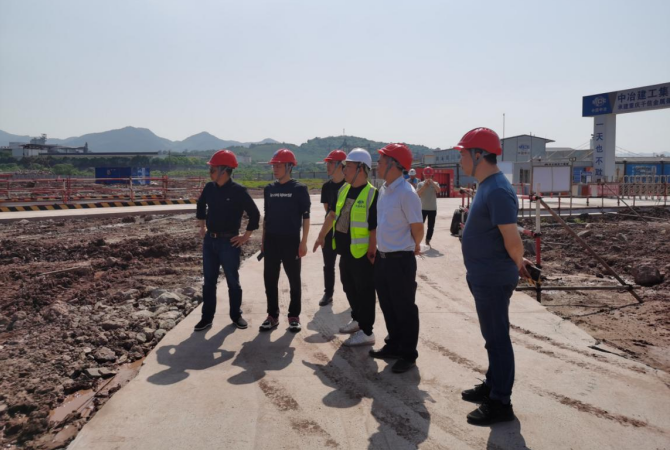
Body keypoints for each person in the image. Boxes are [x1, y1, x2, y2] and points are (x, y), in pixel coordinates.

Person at [454, 127, 531, 426]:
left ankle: (500, 401)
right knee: (492, 338)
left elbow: (512, 238)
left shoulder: (497, 189)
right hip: (483, 274)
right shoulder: (487, 186)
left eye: (463, 154)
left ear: (479, 155)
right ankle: (492, 384)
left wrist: (518, 261)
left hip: (493, 277)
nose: (460, 160)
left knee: (498, 339)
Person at [313, 148, 378, 346]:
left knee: (365, 292)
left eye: (348, 166)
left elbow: (374, 227)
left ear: (361, 169)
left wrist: (372, 251)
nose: (344, 170)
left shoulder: (372, 194)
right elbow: (332, 214)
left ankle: (367, 332)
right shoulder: (344, 189)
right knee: (349, 286)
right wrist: (321, 236)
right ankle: (358, 320)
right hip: (345, 251)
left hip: (362, 254)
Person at [369, 143, 424, 373]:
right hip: (383, 259)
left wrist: (413, 245)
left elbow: (418, 228)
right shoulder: (384, 190)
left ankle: (408, 354)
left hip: (400, 260)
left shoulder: (406, 193)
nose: (378, 165)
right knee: (388, 305)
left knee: (404, 308)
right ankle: (394, 344)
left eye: (381, 162)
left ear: (394, 165)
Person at [195, 149, 261, 332]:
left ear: (224, 171)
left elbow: (254, 214)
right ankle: (206, 318)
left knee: (233, 281)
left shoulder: (238, 191)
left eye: (212, 169)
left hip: (229, 243)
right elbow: (200, 204)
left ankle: (236, 315)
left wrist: (245, 236)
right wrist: (202, 226)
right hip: (210, 242)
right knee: (209, 282)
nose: (210, 173)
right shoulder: (209, 188)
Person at [260, 148, 311, 333]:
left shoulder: (299, 189)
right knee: (270, 280)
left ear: (289, 167)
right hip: (271, 241)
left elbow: (306, 217)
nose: (275, 169)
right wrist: (263, 241)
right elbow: (266, 218)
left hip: (291, 241)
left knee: (294, 281)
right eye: (274, 165)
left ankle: (294, 316)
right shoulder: (269, 189)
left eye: (279, 165)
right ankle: (272, 316)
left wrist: (303, 242)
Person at [317, 149, 347, 307]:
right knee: (328, 264)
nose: (327, 166)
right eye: (327, 163)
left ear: (341, 165)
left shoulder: (349, 186)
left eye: (331, 163)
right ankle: (328, 293)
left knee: (347, 266)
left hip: (346, 232)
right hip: (329, 231)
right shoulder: (326, 187)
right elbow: (328, 210)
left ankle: (354, 294)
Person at [416, 166, 440, 246]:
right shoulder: (420, 184)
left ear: (432, 175)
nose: (428, 177)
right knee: (419, 226)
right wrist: (424, 186)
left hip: (432, 209)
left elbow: (438, 191)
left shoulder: (436, 184)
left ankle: (428, 239)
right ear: (423, 175)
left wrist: (432, 183)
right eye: (426, 175)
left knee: (431, 226)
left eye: (429, 175)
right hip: (422, 208)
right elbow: (417, 194)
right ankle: (417, 240)